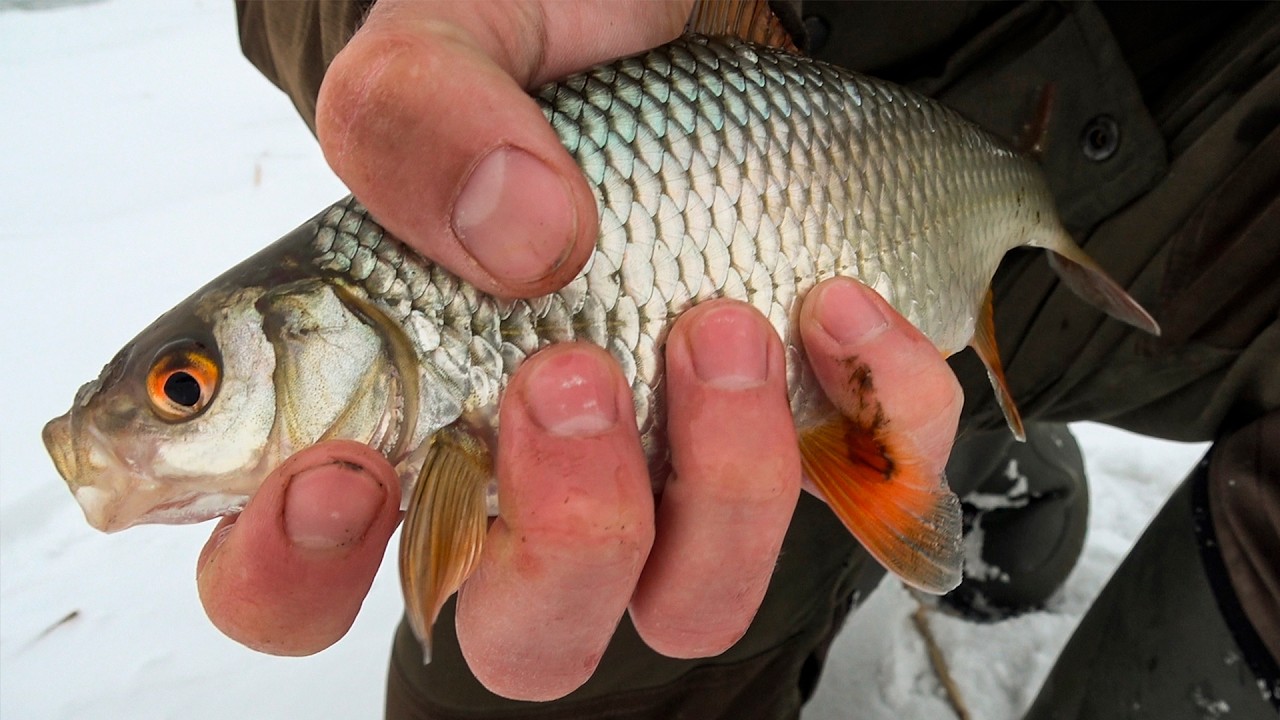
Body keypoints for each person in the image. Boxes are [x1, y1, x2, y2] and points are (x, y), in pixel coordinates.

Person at [205, 1, 1277, 717]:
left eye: (185, 390)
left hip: (1213, 110)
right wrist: (410, 42)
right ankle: (973, 445)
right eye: (187, 390)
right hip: (811, 140)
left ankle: (988, 441)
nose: (182, 406)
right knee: (525, 679)